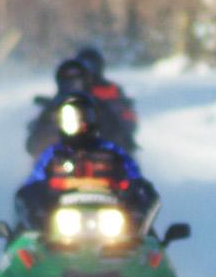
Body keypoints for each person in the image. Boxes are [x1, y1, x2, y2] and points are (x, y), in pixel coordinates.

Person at [15, 92, 157, 231]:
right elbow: (31, 187)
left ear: (92, 120)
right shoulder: (52, 155)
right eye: (70, 119)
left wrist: (138, 210)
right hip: (61, 227)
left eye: (82, 118)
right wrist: (36, 214)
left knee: (147, 238)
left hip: (110, 225)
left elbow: (138, 184)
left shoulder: (112, 153)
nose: (77, 124)